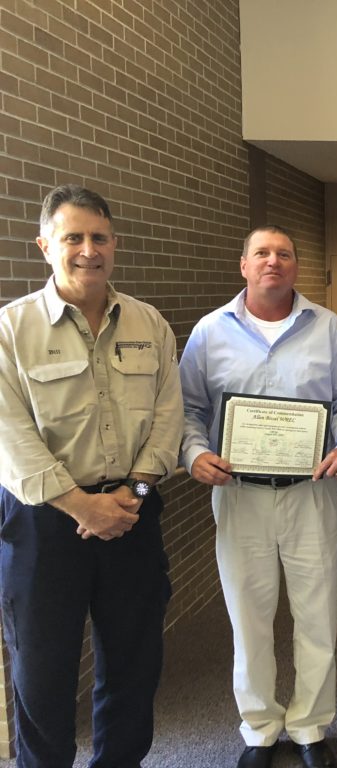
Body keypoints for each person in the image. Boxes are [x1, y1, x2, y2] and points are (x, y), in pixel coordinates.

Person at [0, 184, 183, 767]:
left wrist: (133, 491)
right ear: (45, 245)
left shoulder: (149, 323)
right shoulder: (11, 330)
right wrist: (81, 504)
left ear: (114, 244)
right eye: (72, 237)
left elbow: (167, 418)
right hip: (44, 525)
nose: (87, 250)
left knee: (133, 666)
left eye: (98, 237)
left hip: (132, 513)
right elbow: (9, 435)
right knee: (42, 674)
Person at [179, 225, 337, 768]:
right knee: (250, 617)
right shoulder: (211, 331)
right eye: (262, 253)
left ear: (296, 267)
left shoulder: (327, 327)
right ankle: (259, 728)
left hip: (312, 493)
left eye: (284, 254)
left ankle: (310, 727)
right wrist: (193, 453)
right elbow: (189, 409)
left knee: (316, 614)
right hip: (240, 496)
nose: (273, 262)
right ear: (244, 265)